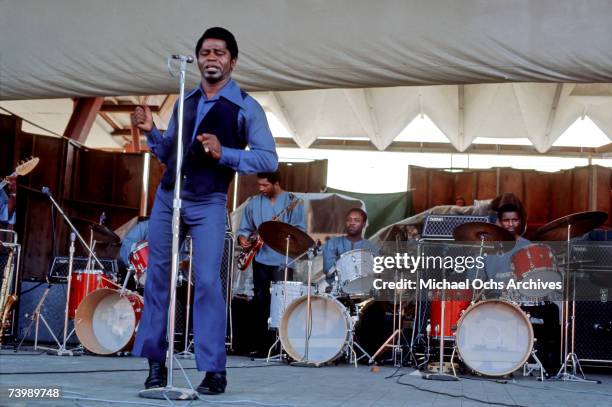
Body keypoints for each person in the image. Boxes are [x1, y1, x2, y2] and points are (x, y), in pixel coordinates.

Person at [130, 27, 277, 395]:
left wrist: (223, 152)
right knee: (157, 278)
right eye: (206, 52)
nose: (212, 58)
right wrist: (152, 132)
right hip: (168, 197)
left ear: (233, 61)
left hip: (209, 201)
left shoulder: (246, 106)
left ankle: (213, 370)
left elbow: (268, 158)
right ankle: (155, 365)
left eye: (220, 52)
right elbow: (170, 154)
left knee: (209, 282)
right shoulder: (185, 100)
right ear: (197, 59)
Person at [236, 170, 305, 357]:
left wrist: (279, 235)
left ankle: (284, 347)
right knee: (260, 301)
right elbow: (244, 228)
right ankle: (262, 346)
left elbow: (300, 232)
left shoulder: (293, 202)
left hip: (283, 259)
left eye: (265, 185)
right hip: (260, 258)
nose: (261, 189)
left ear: (276, 183)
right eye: (259, 185)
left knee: (283, 302)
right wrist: (242, 238)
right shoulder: (254, 203)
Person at [323, 208, 378, 285]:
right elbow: (328, 270)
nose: (352, 223)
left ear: (364, 224)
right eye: (349, 220)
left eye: (357, 220)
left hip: (365, 290)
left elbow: (376, 271)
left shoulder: (371, 246)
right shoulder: (332, 243)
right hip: (336, 292)